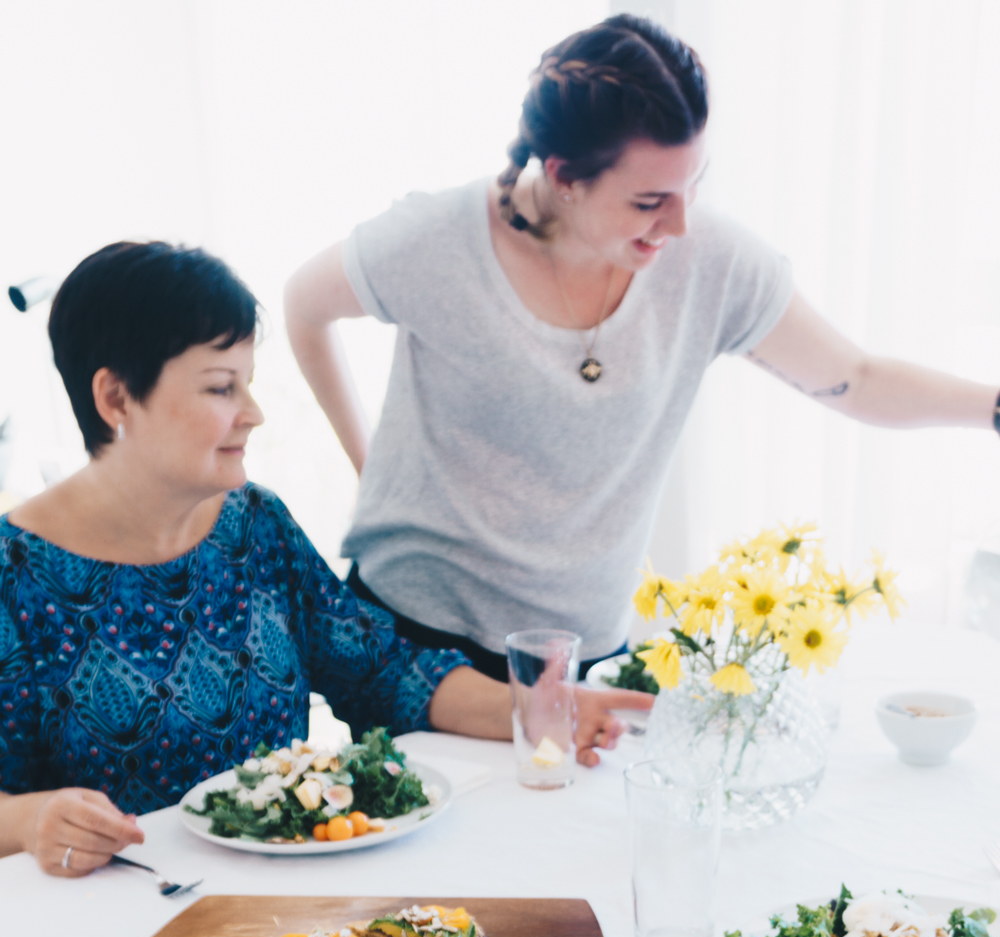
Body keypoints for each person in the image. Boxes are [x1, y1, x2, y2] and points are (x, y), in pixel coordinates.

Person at [284, 11, 1000, 683]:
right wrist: (367, 461)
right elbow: (304, 306)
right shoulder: (436, 241)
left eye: (694, 185)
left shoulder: (711, 265)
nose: (682, 224)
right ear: (563, 177)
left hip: (587, 650)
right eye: (650, 202)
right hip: (418, 640)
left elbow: (857, 376)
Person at [0, 242, 647, 878]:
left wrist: (535, 709)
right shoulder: (12, 574)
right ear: (115, 399)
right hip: (116, 931)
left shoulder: (253, 524)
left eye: (247, 383)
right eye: (222, 388)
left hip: (288, 906)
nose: (252, 414)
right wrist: (31, 821)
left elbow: (385, 674)